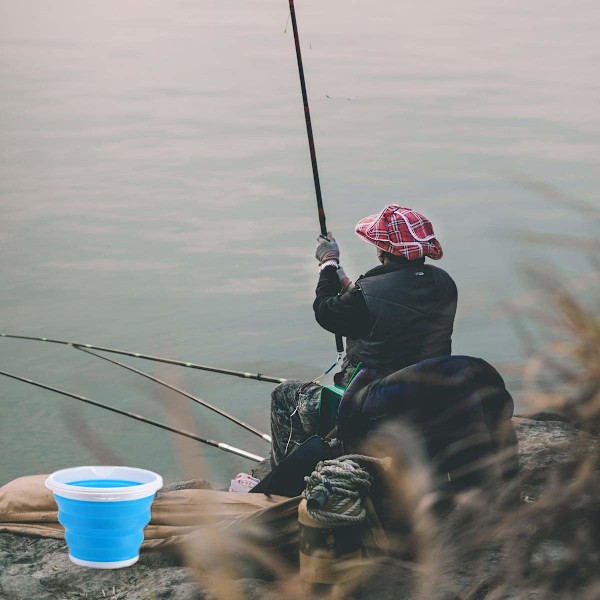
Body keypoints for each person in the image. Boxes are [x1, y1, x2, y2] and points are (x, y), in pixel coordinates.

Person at [269, 204, 458, 468]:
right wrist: (346, 283)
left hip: (370, 406)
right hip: (425, 397)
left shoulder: (368, 295)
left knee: (284, 396)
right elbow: (393, 309)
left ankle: (286, 480)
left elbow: (326, 312)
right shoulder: (444, 283)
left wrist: (328, 264)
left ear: (384, 250)